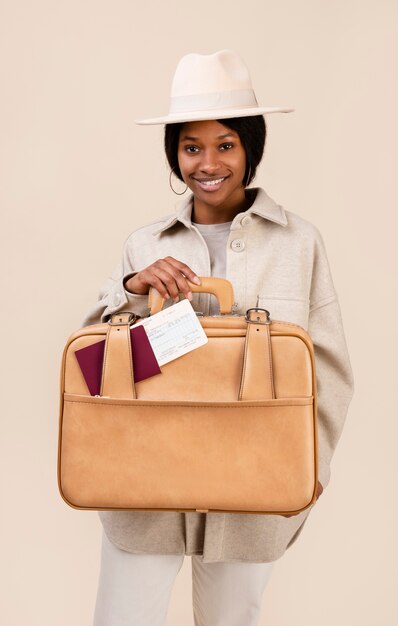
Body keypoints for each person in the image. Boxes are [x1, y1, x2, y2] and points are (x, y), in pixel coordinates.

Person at [83, 49, 355, 626]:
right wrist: (134, 288)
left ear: (250, 148)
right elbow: (91, 370)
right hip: (144, 475)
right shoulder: (143, 244)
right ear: (174, 154)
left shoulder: (299, 243)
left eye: (225, 145)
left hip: (255, 479)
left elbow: (327, 366)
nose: (208, 163)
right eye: (190, 147)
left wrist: (313, 468)